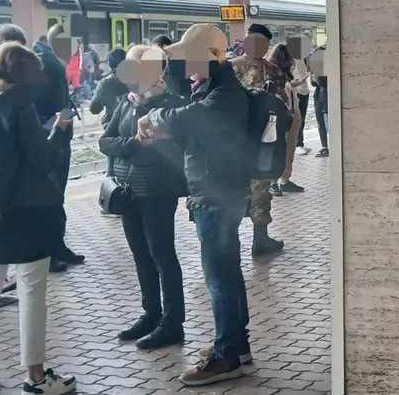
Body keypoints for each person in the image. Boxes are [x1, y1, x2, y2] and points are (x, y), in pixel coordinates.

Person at [0, 41, 77, 395]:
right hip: (26, 212)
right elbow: (42, 161)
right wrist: (60, 131)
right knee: (32, 291)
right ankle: (36, 378)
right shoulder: (19, 106)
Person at [139, 24, 253, 386]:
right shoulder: (211, 90)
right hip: (216, 191)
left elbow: (188, 118)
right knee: (227, 272)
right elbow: (190, 123)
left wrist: (154, 117)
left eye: (193, 54)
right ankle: (236, 344)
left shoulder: (224, 94)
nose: (186, 61)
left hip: (217, 195)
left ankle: (226, 355)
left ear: (214, 56)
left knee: (219, 275)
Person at [99, 44, 188, 351]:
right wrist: (133, 144)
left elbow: (172, 150)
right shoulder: (125, 104)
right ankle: (151, 314)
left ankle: (172, 322)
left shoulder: (172, 104)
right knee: (140, 255)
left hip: (158, 190)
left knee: (162, 255)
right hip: (127, 192)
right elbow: (105, 141)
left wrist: (143, 143)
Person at [0, 24, 84, 273]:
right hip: (50, 137)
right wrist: (59, 131)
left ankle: (56, 248)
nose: (77, 51)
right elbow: (53, 105)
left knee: (54, 197)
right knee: (52, 196)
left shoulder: (48, 60)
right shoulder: (50, 64)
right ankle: (51, 251)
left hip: (49, 135)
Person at [231, 23, 286, 256]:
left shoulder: (273, 71)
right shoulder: (232, 67)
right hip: (247, 139)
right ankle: (247, 240)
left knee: (258, 187)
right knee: (245, 188)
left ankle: (258, 240)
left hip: (253, 140)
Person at [265, 42, 304, 195]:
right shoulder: (278, 78)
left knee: (283, 149)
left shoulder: (276, 76)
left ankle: (281, 180)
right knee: (283, 149)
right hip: (285, 117)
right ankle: (277, 182)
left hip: (284, 116)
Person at [89, 47, 129, 125]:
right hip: (134, 126)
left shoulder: (106, 83)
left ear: (109, 64)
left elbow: (94, 109)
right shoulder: (138, 79)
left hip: (112, 127)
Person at [310, 45, 329, 158]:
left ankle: (328, 146)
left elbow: (322, 81)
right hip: (319, 97)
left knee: (327, 124)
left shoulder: (328, 67)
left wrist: (316, 76)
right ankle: (324, 146)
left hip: (327, 97)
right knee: (320, 123)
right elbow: (314, 83)